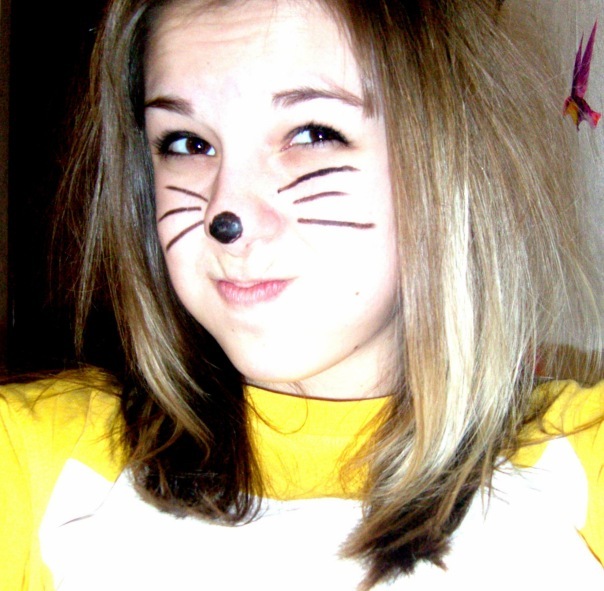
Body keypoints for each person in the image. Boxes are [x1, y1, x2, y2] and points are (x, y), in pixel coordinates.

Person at [1, 0, 603, 589]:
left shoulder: (580, 462)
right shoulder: (30, 460)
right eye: (187, 143)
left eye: (313, 133)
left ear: (449, 161)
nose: (226, 215)